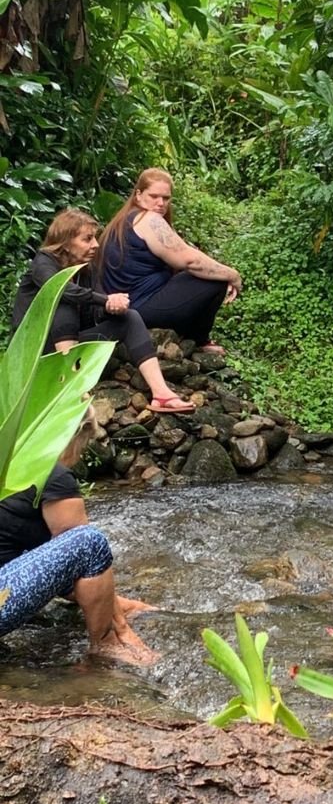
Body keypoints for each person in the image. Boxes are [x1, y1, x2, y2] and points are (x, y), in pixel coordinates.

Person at [0, 408, 159, 665]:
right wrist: (123, 629)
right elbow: (82, 559)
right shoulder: (51, 474)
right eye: (84, 445)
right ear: (74, 436)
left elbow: (45, 566)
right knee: (89, 542)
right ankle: (107, 646)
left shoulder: (10, 464)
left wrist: (120, 603)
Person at [12, 208, 194, 414]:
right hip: (35, 352)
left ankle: (161, 394)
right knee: (64, 300)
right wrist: (105, 300)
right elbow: (61, 289)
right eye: (87, 239)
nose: (95, 245)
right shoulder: (43, 262)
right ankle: (69, 391)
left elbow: (97, 308)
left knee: (130, 317)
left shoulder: (86, 269)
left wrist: (114, 307)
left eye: (95, 238)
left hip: (72, 346)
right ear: (66, 241)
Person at [97, 168, 242, 354]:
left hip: (128, 305)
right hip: (138, 308)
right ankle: (199, 339)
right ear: (138, 195)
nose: (160, 203)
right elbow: (190, 261)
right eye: (154, 196)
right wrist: (233, 275)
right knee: (215, 280)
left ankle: (188, 338)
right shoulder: (148, 220)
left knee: (202, 274)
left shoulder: (125, 219)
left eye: (166, 198)